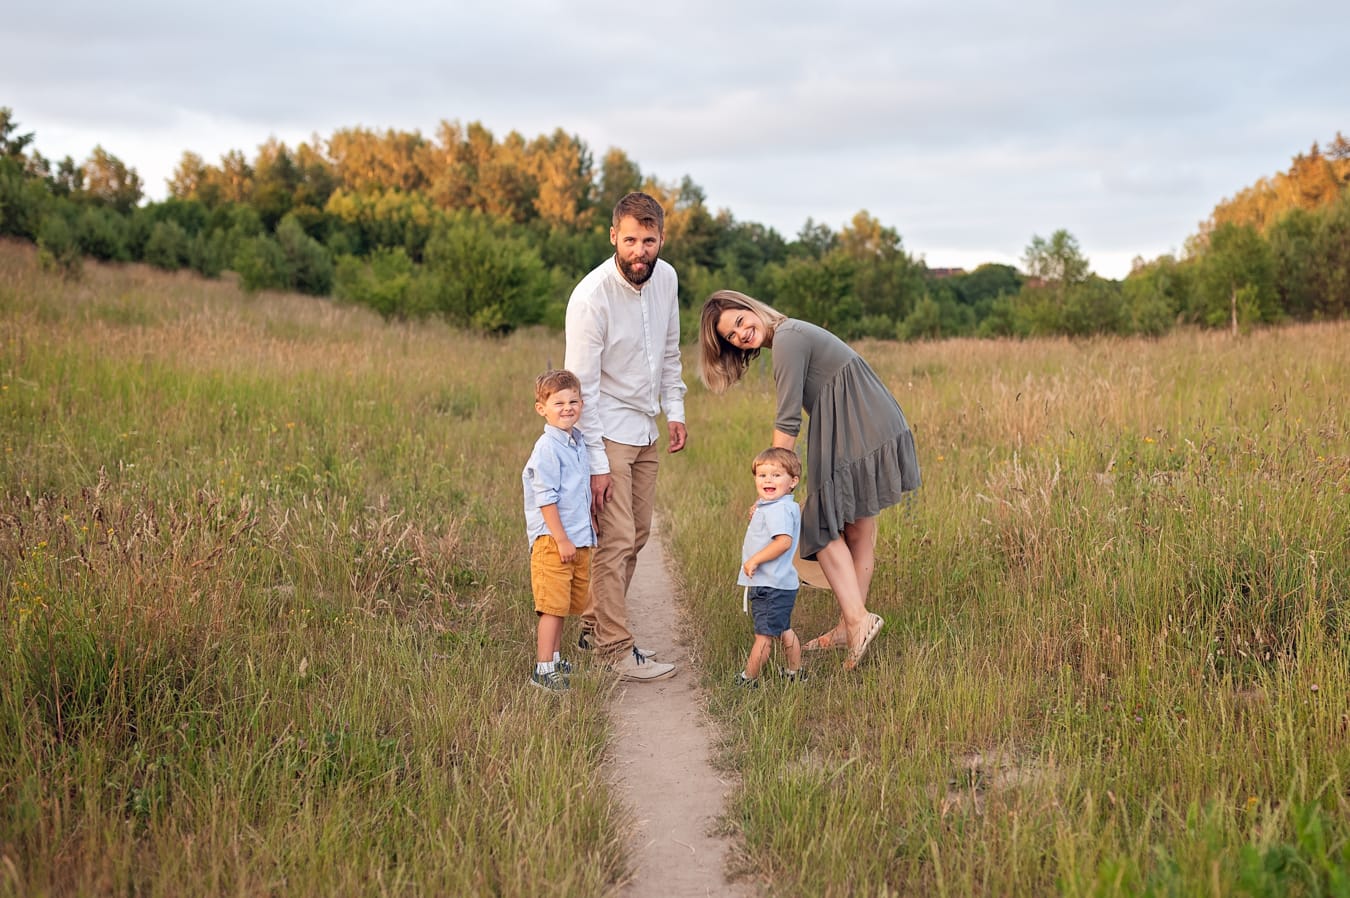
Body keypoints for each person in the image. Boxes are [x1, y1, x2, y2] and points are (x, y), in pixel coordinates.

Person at [698, 290, 921, 671]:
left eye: (739, 321)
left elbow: (787, 421)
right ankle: (850, 626)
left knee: (818, 524)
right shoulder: (789, 335)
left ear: (750, 307)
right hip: (872, 419)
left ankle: (856, 619)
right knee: (858, 528)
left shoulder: (787, 338)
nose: (741, 335)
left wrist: (773, 487)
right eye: (731, 337)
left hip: (858, 424)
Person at [563, 192, 684, 682]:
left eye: (649, 241)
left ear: (661, 238)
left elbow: (670, 351)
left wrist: (674, 409)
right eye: (630, 240)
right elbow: (580, 387)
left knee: (638, 533)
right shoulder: (591, 297)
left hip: (645, 427)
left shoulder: (667, 278)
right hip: (605, 430)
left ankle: (594, 627)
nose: (640, 251)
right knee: (613, 541)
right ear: (613, 235)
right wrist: (593, 464)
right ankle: (615, 650)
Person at [521, 369, 596, 693]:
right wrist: (562, 538)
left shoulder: (576, 441)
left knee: (563, 603)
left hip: (575, 538)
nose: (567, 408)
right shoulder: (548, 448)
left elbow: (577, 492)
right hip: (554, 541)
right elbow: (546, 499)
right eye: (558, 402)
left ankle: (554, 658)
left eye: (573, 401)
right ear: (542, 408)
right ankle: (542, 669)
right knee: (551, 607)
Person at [734, 447, 805, 688]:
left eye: (776, 475)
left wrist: (755, 560)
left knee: (763, 637)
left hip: (770, 584)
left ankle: (748, 679)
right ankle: (795, 672)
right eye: (762, 475)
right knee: (783, 629)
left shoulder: (777, 510)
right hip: (781, 583)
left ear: (793, 481)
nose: (768, 480)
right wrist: (758, 506)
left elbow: (783, 541)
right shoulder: (784, 505)